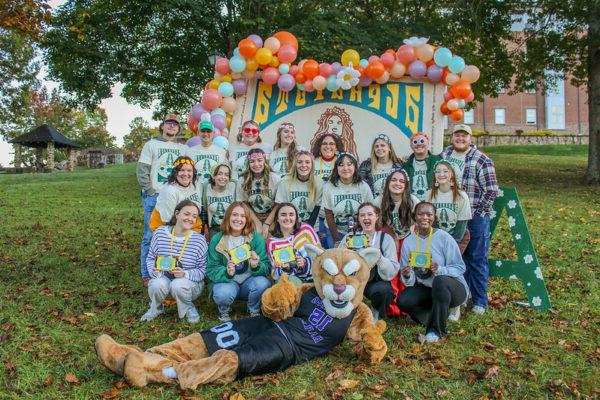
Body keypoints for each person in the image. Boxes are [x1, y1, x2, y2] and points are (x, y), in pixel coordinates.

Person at [442, 124, 498, 315]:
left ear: (470, 139)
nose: (460, 138)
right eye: (457, 135)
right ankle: (462, 297)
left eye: (464, 135)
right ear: (452, 137)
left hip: (475, 216)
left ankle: (480, 301)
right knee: (457, 257)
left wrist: (479, 213)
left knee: (477, 258)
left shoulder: (481, 159)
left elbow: (491, 190)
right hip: (452, 216)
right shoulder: (444, 157)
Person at [397, 202, 468, 342]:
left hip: (453, 289)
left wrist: (440, 269)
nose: (425, 217)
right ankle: (433, 315)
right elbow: (410, 282)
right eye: (420, 214)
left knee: (440, 280)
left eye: (429, 214)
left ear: (434, 218)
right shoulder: (409, 242)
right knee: (404, 300)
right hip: (427, 288)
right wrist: (406, 274)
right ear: (414, 217)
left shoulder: (444, 237)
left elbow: (460, 267)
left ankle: (436, 331)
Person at [137, 114, 186, 285]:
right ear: (162, 126)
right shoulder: (151, 145)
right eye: (169, 123)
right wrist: (150, 191)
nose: (172, 126)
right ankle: (147, 273)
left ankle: (167, 269)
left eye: (175, 124)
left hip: (175, 195)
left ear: (178, 128)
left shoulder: (181, 148)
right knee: (151, 234)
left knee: (172, 234)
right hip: (155, 195)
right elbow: (142, 170)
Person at [142, 200, 207, 324]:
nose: (190, 219)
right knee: (156, 284)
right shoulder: (160, 233)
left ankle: (188, 307)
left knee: (178, 285)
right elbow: (150, 258)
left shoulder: (199, 240)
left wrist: (185, 274)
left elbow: (202, 271)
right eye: (186, 214)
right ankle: (156, 307)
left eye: (194, 216)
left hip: (189, 283)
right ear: (177, 214)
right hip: (164, 278)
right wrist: (154, 272)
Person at [207, 202, 271, 322]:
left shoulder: (256, 238)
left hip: (250, 283)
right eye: (234, 215)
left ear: (247, 220)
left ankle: (253, 309)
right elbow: (211, 269)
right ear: (228, 217)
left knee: (263, 283)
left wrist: (256, 266)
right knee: (222, 293)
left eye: (243, 216)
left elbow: (267, 267)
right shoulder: (217, 239)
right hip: (228, 283)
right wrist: (226, 272)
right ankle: (224, 310)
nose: (238, 219)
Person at [339, 203, 399, 321]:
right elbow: (337, 263)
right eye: (362, 215)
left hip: (374, 281)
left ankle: (376, 310)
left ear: (377, 216)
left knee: (385, 291)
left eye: (370, 214)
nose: (366, 218)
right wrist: (342, 253)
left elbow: (392, 271)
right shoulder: (349, 237)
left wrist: (378, 256)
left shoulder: (385, 239)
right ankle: (347, 314)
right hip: (352, 280)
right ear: (358, 218)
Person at [322, 152, 374, 246]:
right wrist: (337, 240)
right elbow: (329, 215)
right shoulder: (329, 187)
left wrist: (361, 232)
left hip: (358, 230)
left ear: (355, 166)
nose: (345, 168)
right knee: (337, 258)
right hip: (335, 230)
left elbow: (371, 212)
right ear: (336, 168)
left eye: (349, 164)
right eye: (341, 165)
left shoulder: (363, 186)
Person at [266, 203, 320, 285]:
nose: (288, 218)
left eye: (291, 215)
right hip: (292, 280)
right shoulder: (272, 242)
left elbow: (319, 256)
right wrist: (285, 268)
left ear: (296, 217)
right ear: (277, 218)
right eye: (283, 215)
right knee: (287, 281)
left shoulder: (306, 230)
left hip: (315, 278)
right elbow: (275, 275)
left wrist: (305, 262)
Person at [426, 160, 472, 253]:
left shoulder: (461, 196)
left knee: (451, 262)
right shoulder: (429, 194)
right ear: (434, 175)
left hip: (457, 238)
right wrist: (437, 241)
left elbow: (462, 223)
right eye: (438, 171)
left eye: (445, 171)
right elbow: (430, 221)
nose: (441, 174)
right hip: (436, 237)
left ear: (452, 174)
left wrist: (451, 244)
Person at [149, 156, 203, 233]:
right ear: (175, 173)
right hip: (167, 229)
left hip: (190, 225)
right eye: (182, 170)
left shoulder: (195, 186)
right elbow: (168, 221)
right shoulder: (170, 190)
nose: (185, 174)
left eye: (189, 170)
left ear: (193, 173)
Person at [235, 148, 280, 237]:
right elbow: (243, 203)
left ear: (265, 161)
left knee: (270, 238)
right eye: (252, 161)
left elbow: (278, 203)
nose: (256, 164)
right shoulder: (242, 180)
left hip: (272, 215)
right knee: (254, 238)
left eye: (260, 160)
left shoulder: (275, 178)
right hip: (252, 215)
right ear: (248, 164)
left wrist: (267, 223)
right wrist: (256, 222)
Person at [275, 150, 323, 224]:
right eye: (299, 162)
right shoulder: (285, 182)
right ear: (295, 165)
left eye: (307, 162)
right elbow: (281, 207)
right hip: (290, 224)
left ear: (312, 165)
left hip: (311, 225)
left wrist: (308, 228)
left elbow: (317, 208)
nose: (303, 165)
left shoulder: (319, 182)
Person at [186, 120, 227, 186]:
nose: (205, 134)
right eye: (203, 131)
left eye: (208, 131)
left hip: (214, 190)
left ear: (213, 133)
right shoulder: (190, 151)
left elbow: (226, 173)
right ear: (198, 133)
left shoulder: (221, 152)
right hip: (196, 189)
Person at [403, 132, 441, 201]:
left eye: (422, 141)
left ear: (428, 144)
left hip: (432, 203)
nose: (419, 144)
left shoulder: (437, 161)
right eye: (415, 142)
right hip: (412, 204)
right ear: (411, 146)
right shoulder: (406, 165)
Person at [203, 162, 236, 239]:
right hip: (214, 228)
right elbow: (204, 208)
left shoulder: (234, 186)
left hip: (232, 227)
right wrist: (205, 228)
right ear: (213, 176)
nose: (223, 177)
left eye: (226, 175)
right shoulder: (206, 187)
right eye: (219, 174)